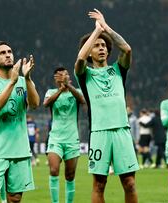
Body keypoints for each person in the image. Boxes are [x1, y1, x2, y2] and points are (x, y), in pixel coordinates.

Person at [74, 9, 139, 203]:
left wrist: (106, 28)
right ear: (90, 51)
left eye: (103, 45)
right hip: (99, 133)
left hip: (122, 131)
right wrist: (95, 32)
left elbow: (127, 49)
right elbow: (79, 59)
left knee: (129, 183)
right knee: (99, 184)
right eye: (96, 46)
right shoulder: (85, 75)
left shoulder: (118, 70)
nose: (101, 48)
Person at [0, 41, 40, 203]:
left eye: (10, 52)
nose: (8, 55)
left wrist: (27, 78)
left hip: (20, 149)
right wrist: (12, 82)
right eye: (2, 53)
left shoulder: (23, 81)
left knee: (15, 198)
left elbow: (34, 104)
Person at [43, 67, 85, 203]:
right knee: (54, 170)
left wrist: (68, 86)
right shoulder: (50, 92)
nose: (63, 76)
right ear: (55, 79)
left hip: (72, 139)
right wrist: (61, 89)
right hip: (55, 138)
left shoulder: (76, 91)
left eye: (65, 74)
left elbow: (82, 100)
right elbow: (46, 104)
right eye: (59, 75)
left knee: (70, 175)